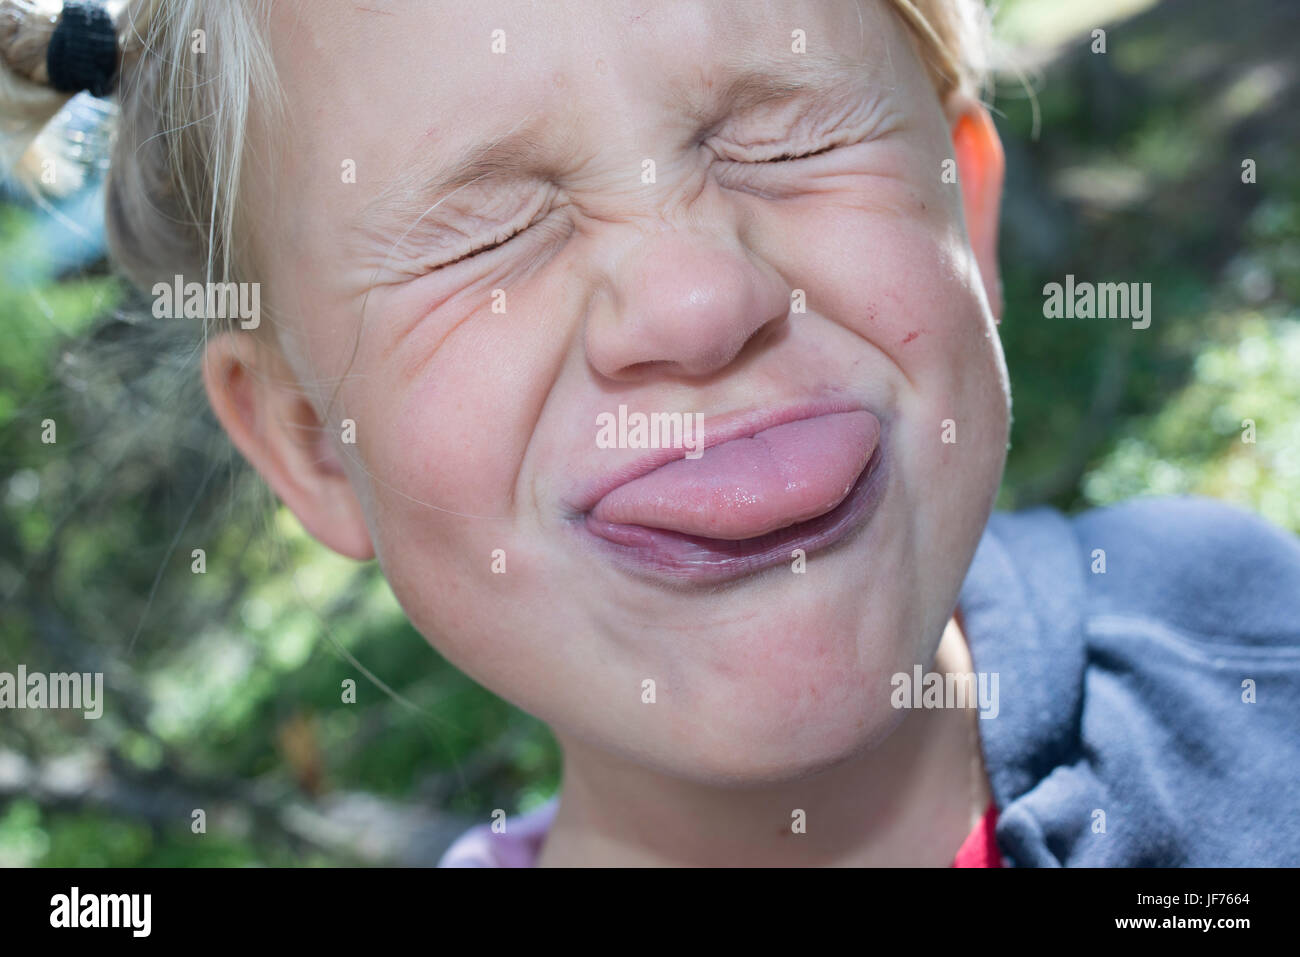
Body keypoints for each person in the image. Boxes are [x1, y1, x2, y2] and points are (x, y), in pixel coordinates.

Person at [3, 0, 1297, 867]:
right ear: (308, 441)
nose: (698, 297)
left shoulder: (1249, 642)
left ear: (963, 206)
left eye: (790, 134)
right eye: (485, 226)